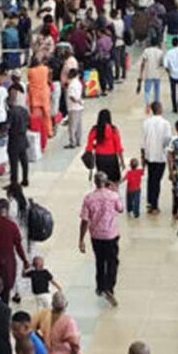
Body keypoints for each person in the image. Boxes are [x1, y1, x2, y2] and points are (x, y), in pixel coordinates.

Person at [80, 172, 124, 306]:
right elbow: (121, 209)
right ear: (106, 182)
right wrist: (116, 191)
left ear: (95, 182)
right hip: (111, 235)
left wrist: (81, 239)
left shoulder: (89, 198)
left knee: (99, 260)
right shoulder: (113, 196)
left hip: (96, 235)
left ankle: (100, 286)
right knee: (112, 261)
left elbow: (84, 220)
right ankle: (109, 287)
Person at [86, 109, 125, 182]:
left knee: (102, 180)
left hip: (100, 158)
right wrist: (122, 161)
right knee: (113, 180)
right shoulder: (114, 130)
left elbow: (89, 146)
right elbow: (118, 147)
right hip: (112, 158)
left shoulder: (95, 129)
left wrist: (94, 147)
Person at [6, 86, 31, 187]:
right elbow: (29, 123)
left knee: (14, 162)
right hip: (23, 137)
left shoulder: (11, 113)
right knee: (24, 160)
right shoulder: (24, 111)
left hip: (14, 139)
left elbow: (8, 126)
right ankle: (25, 179)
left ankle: (14, 182)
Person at [27, 57, 52, 139]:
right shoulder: (45, 69)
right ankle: (49, 131)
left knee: (36, 115)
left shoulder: (30, 71)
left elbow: (29, 80)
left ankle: (37, 130)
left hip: (35, 93)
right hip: (45, 92)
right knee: (46, 113)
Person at [137, 37, 164, 107]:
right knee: (157, 91)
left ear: (150, 43)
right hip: (157, 74)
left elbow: (143, 63)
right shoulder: (160, 52)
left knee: (147, 91)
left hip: (148, 74)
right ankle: (157, 104)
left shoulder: (146, 51)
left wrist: (141, 74)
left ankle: (148, 105)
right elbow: (162, 64)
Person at [65, 68, 84, 148]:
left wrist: (77, 101)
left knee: (72, 126)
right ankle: (78, 141)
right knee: (79, 125)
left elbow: (72, 96)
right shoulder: (78, 83)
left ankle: (72, 142)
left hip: (73, 108)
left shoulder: (72, 84)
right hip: (79, 108)